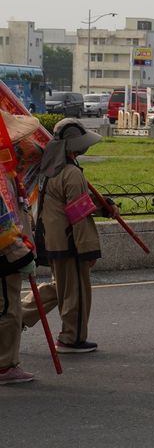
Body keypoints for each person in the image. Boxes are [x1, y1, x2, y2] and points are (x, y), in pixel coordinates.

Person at [21, 118, 118, 354]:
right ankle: (71, 338)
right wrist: (88, 249)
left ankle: (17, 314)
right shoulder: (71, 172)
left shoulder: (49, 168)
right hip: (70, 240)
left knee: (62, 288)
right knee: (76, 293)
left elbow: (75, 203)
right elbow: (78, 214)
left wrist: (104, 206)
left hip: (52, 238)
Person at [0, 114, 39, 384]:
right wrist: (20, 253)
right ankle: (4, 364)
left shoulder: (7, 172)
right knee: (7, 310)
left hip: (9, 250)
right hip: (4, 255)